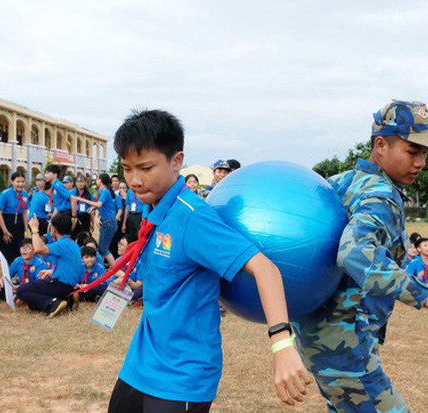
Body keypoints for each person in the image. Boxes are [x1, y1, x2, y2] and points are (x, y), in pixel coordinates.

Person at [96, 109, 310, 412]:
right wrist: (138, 282)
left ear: (176, 161)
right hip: (141, 361)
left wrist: (282, 343)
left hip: (182, 373)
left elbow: (266, 269)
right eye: (127, 168)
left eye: (145, 168)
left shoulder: (192, 217)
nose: (134, 180)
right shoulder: (154, 205)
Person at [294, 100, 428, 412]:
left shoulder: (341, 182)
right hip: (344, 344)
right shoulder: (380, 195)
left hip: (320, 336)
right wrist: (426, 297)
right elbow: (354, 251)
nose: (421, 162)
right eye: (412, 151)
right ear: (380, 144)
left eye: (425, 153)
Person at [17, 212, 83, 317]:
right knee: (32, 302)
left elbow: (38, 249)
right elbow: (70, 266)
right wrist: (50, 271)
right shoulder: (72, 243)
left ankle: (53, 303)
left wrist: (34, 229)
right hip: (69, 285)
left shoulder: (62, 244)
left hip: (61, 285)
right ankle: (68, 299)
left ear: (54, 229)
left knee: (21, 291)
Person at [72, 173, 117, 268]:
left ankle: (115, 270)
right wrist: (92, 208)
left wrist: (82, 199)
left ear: (100, 180)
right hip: (108, 222)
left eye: (97, 179)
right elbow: (100, 205)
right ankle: (103, 267)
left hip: (109, 222)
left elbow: (99, 204)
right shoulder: (105, 191)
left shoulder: (105, 191)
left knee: (104, 249)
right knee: (103, 248)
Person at [0, 172, 29, 263]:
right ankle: (8, 273)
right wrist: (5, 231)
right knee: (7, 251)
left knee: (19, 249)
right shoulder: (5, 194)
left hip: (19, 224)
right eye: (18, 181)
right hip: (6, 223)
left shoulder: (25, 195)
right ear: (12, 182)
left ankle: (17, 272)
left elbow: (25, 212)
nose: (20, 184)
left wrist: (26, 229)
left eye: (22, 181)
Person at [110, 181, 127, 257]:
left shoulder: (128, 196)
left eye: (124, 188)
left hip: (125, 220)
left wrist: (125, 198)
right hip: (117, 220)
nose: (122, 189)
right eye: (120, 188)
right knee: (114, 239)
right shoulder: (116, 197)